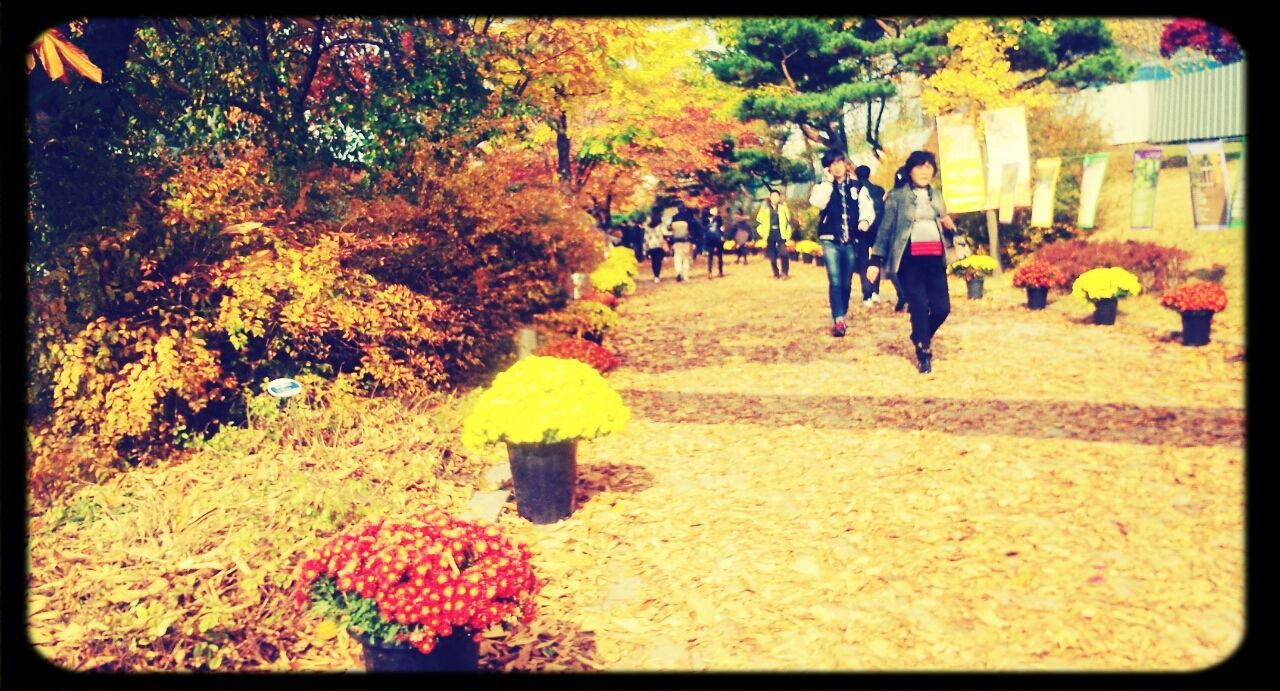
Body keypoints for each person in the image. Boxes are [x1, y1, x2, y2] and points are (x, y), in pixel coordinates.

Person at [866, 150, 959, 373]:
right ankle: (924, 352)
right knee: (918, 305)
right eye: (919, 167)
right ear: (910, 170)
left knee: (941, 308)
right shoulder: (897, 196)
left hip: (935, 258)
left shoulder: (937, 195)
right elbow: (886, 230)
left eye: (928, 167)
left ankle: (919, 334)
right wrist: (875, 260)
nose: (924, 171)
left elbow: (947, 227)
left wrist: (950, 226)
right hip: (909, 259)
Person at [809, 150, 875, 337]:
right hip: (830, 240)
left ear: (845, 164)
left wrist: (865, 221)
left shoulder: (857, 186)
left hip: (851, 241)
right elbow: (818, 203)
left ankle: (842, 311)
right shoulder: (823, 186)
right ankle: (838, 319)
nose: (837, 166)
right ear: (828, 167)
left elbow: (867, 207)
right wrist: (828, 183)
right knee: (835, 280)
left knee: (846, 282)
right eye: (833, 163)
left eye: (840, 162)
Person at [851, 165, 890, 308]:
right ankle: (875, 292)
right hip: (878, 229)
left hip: (862, 230)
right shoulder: (879, 190)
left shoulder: (855, 189)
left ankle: (866, 293)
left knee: (863, 262)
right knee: (875, 260)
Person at [756, 189, 794, 279]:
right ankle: (776, 272)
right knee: (772, 257)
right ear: (770, 197)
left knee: (784, 253)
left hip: (780, 233)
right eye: (773, 196)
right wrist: (762, 233)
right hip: (769, 234)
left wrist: (788, 234)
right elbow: (759, 223)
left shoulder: (783, 208)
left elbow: (788, 222)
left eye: (777, 197)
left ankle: (785, 272)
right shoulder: (765, 208)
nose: (775, 198)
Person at [668, 203, 695, 282]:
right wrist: (693, 242)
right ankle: (685, 275)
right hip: (686, 241)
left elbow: (670, 229)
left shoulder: (674, 218)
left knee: (677, 257)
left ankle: (678, 272)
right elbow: (691, 231)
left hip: (676, 241)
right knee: (686, 258)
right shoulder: (688, 218)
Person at [643, 208, 669, 283]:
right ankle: (657, 275)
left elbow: (645, 238)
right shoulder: (661, 226)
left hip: (651, 246)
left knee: (653, 261)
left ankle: (655, 275)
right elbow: (666, 233)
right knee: (658, 261)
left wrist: (645, 248)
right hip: (659, 245)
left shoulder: (647, 227)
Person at [703, 205, 726, 278]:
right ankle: (720, 271)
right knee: (719, 256)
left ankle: (710, 272)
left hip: (709, 239)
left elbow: (704, 230)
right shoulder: (719, 218)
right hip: (718, 239)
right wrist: (722, 236)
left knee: (710, 256)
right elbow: (722, 228)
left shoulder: (705, 219)